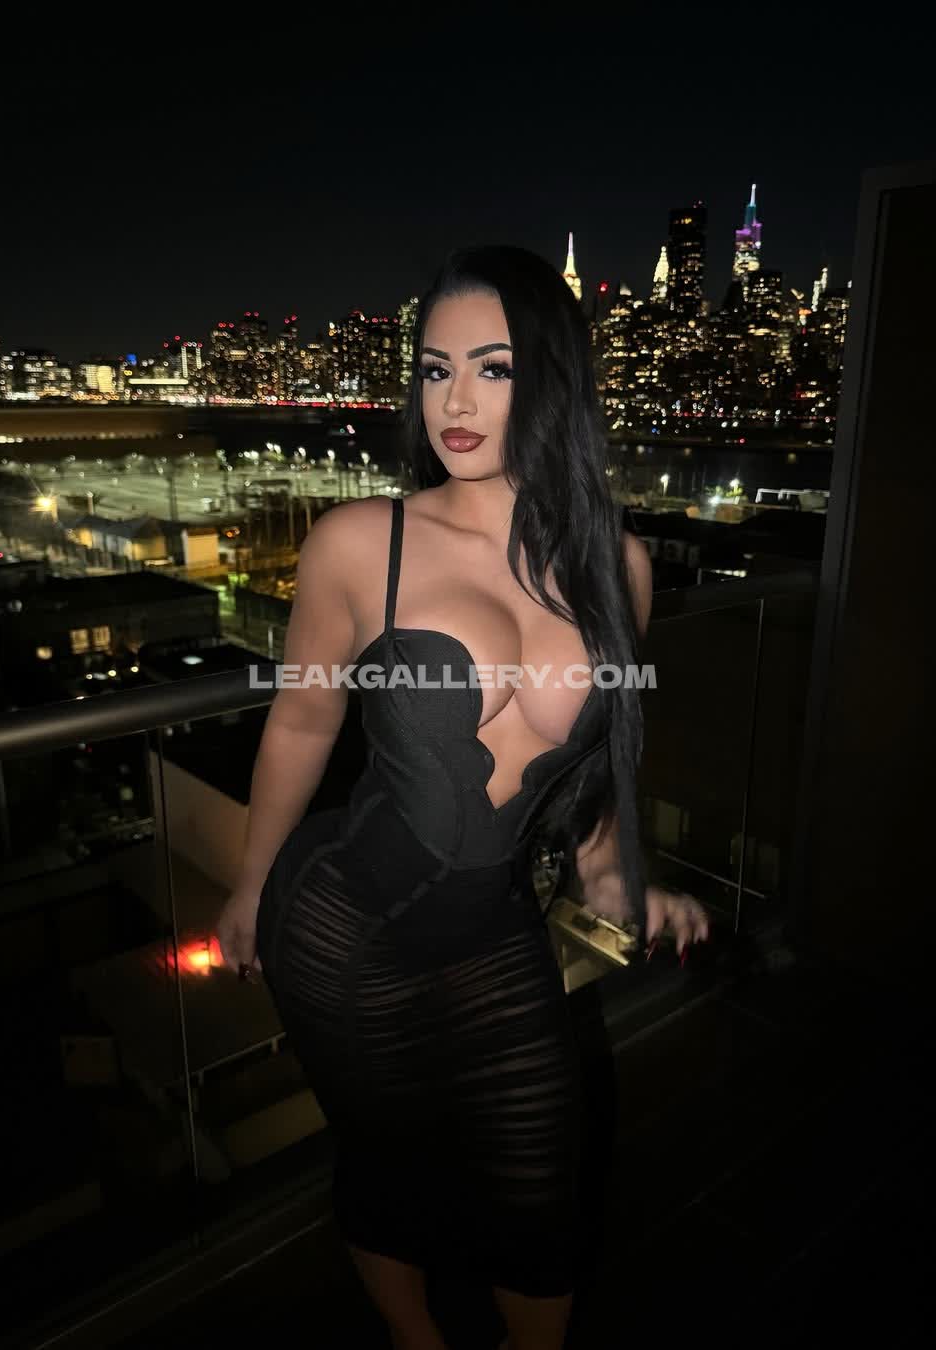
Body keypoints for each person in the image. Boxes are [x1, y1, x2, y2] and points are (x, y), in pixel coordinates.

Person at [217, 245, 710, 1350]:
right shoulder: (362, 541)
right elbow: (302, 721)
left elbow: (598, 761)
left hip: (494, 937)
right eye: (435, 370)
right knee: (391, 1171)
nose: (455, 402)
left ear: (552, 380)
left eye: (492, 368)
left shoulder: (619, 565)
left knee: (542, 1198)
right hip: (342, 931)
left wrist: (618, 880)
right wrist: (250, 883)